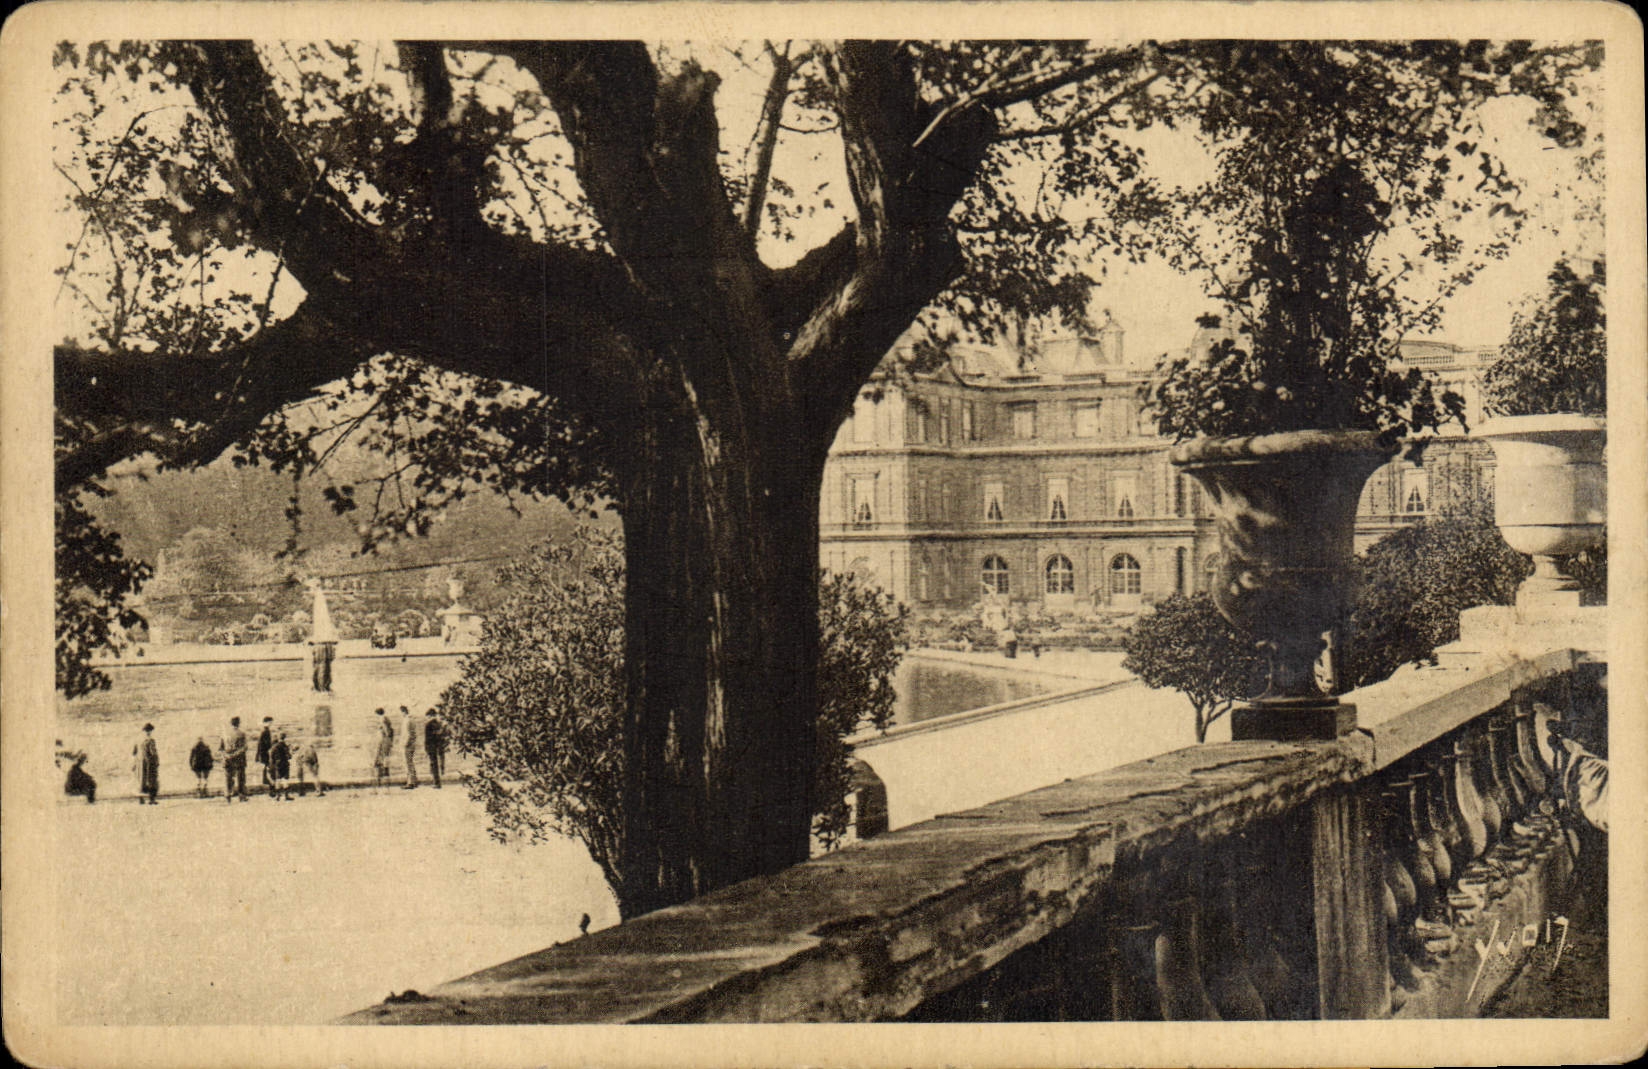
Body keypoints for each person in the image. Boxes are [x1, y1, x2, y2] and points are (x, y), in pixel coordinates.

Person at [56, 740, 96, 804]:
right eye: (83, 760)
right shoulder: (75, 769)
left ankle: (91, 801)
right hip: (72, 790)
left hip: (71, 789)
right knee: (91, 785)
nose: (84, 762)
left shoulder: (75, 769)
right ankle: (91, 802)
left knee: (91, 784)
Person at [222, 716, 249, 802]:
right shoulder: (241, 733)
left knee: (228, 777)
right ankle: (241, 795)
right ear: (239, 723)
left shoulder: (225, 734)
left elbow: (221, 748)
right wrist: (235, 754)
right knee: (240, 777)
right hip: (239, 759)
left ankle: (228, 794)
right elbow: (244, 747)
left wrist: (226, 755)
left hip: (227, 758)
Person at [133, 723, 160, 805]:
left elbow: (134, 752)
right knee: (152, 780)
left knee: (141, 780)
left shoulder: (138, 740)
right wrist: (157, 761)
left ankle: (141, 798)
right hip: (149, 763)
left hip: (140, 763)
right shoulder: (151, 741)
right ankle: (152, 799)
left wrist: (135, 762)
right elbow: (153, 752)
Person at [424, 709, 448, 789]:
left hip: (431, 746)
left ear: (430, 715)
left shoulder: (428, 724)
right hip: (437, 745)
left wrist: (426, 748)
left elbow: (427, 738)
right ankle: (436, 782)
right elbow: (439, 734)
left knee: (433, 764)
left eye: (427, 716)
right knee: (435, 764)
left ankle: (436, 782)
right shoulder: (437, 723)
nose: (427, 717)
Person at [372, 708, 394, 790]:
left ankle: (383, 773)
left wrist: (383, 731)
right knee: (385, 756)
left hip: (384, 740)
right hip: (386, 740)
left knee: (383, 757)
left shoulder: (382, 719)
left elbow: (387, 731)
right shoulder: (386, 718)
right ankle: (384, 772)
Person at [255, 716, 275, 797]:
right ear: (266, 722)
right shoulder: (265, 731)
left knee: (268, 772)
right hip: (266, 755)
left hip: (264, 754)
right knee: (269, 772)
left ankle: (271, 789)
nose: (271, 724)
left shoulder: (265, 731)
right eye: (270, 722)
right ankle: (272, 790)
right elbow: (262, 745)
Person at [269, 732, 292, 801]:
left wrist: (273, 763)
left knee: (278, 779)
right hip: (285, 764)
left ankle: (278, 796)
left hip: (277, 764)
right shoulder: (285, 746)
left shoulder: (274, 746)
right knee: (285, 779)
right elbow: (289, 756)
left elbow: (271, 756)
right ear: (284, 738)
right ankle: (286, 795)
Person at [400, 706, 419, 788]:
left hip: (407, 745)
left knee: (407, 763)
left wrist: (405, 744)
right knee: (411, 763)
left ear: (403, 712)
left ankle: (410, 783)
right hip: (412, 744)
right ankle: (414, 781)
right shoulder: (412, 720)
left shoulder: (407, 721)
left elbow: (408, 734)